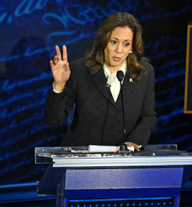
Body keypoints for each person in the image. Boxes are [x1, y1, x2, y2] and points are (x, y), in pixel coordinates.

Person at [44, 12, 156, 150]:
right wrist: (59, 85)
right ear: (103, 41)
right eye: (114, 42)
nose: (119, 50)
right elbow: (54, 120)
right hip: (82, 157)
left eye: (126, 44)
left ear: (132, 47)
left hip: (123, 159)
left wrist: (134, 142)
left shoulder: (143, 72)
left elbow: (148, 116)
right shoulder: (79, 70)